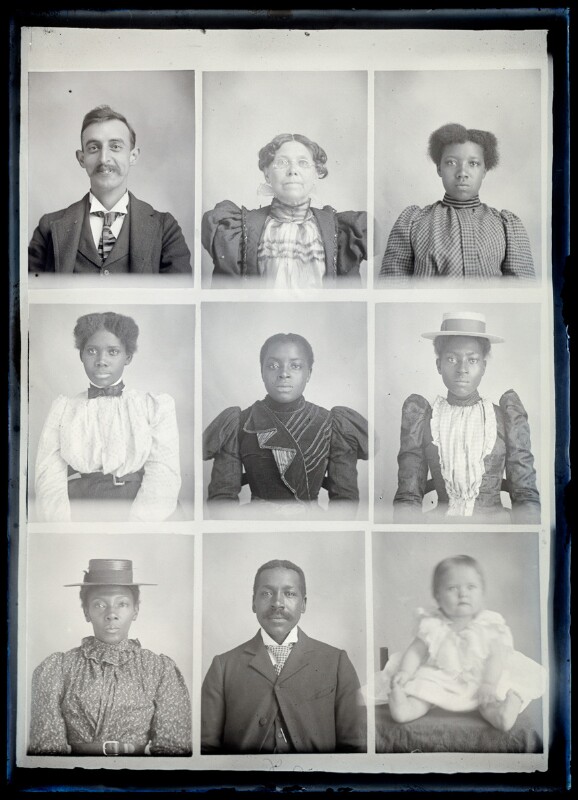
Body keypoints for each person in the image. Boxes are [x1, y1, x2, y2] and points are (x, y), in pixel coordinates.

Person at [28, 559, 192, 756]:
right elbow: (47, 752)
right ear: (86, 612)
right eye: (99, 604)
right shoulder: (59, 668)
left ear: (135, 611)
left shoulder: (159, 669)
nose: (111, 614)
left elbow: (173, 751)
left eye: (122, 604)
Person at [201, 559, 366, 754]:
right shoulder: (223, 666)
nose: (277, 603)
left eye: (289, 594)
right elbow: (207, 749)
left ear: (303, 604)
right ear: (253, 602)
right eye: (266, 593)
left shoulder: (337, 662)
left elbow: (355, 746)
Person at [367, 555, 545, 733]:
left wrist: (489, 683)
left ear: (482, 593)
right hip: (440, 677)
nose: (463, 593)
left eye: (471, 587)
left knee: (487, 702)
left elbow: (496, 657)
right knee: (423, 692)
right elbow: (415, 652)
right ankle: (404, 709)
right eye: (452, 588)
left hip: (481, 678)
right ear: (438, 596)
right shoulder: (432, 624)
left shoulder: (489, 625)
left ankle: (504, 712)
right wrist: (405, 672)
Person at [392, 311, 540, 523]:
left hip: (496, 532)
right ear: (438, 365)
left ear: (483, 367)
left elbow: (525, 496)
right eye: (452, 359)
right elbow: (408, 497)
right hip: (440, 531)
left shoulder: (503, 417)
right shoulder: (424, 419)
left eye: (472, 360)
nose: (462, 369)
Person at [34, 311, 181, 522]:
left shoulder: (153, 407)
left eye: (113, 352)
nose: (101, 361)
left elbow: (164, 471)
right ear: (81, 355)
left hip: (137, 503)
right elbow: (47, 474)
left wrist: (139, 523)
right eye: (92, 351)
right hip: (79, 506)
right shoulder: (64, 409)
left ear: (127, 356)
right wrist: (62, 525)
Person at [203, 332, 368, 515]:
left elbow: (345, 503)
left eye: (295, 366)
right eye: (273, 366)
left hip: (312, 530)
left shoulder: (333, 424)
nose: (283, 374)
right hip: (256, 529)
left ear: (308, 374)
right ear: (262, 372)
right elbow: (222, 500)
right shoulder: (238, 423)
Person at [28, 105, 191, 275]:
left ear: (133, 156)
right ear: (81, 158)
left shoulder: (165, 228)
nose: (104, 158)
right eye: (94, 148)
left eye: (115, 146)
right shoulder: (48, 227)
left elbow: (178, 298)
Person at [202, 133, 367, 288]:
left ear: (316, 172)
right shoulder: (236, 229)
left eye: (303, 163)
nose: (292, 171)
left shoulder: (342, 230)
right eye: (282, 162)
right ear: (267, 173)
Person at [379, 123, 536, 281]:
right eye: (451, 163)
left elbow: (522, 292)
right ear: (439, 168)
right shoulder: (412, 222)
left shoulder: (506, 225)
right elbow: (391, 288)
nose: (462, 173)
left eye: (473, 164)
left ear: (484, 171)